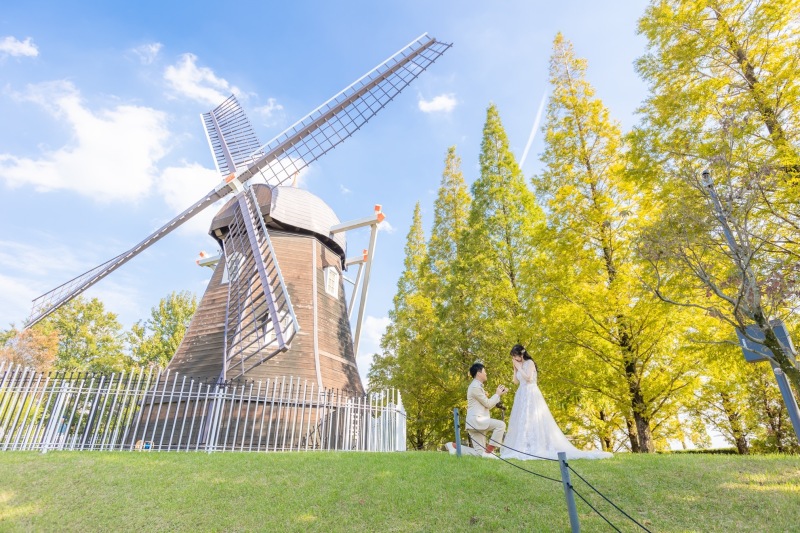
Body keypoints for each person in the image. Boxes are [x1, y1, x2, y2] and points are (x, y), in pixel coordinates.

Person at [501, 344, 612, 460]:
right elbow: (515, 381)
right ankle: (524, 446)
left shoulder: (529, 363)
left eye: (515, 356)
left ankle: (537, 446)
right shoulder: (519, 365)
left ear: (521, 354)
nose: (514, 359)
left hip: (531, 393)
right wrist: (515, 369)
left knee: (534, 418)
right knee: (522, 419)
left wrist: (519, 368)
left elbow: (528, 378)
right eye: (513, 357)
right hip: (521, 394)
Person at [459, 362, 508, 458]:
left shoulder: (477, 386)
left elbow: (486, 405)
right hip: (477, 421)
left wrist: (499, 395)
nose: (486, 374)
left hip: (475, 422)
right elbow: (488, 404)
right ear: (478, 373)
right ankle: (489, 452)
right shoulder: (475, 387)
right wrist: (497, 394)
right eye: (484, 372)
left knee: (479, 454)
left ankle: (454, 446)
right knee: (501, 425)